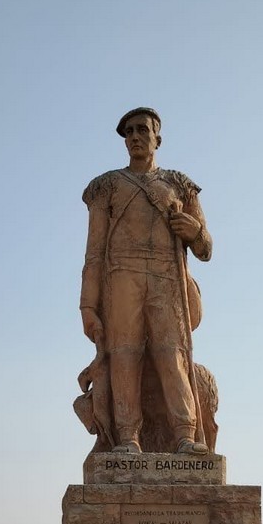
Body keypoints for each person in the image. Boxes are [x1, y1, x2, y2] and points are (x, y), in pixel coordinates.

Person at [78, 107, 212, 456]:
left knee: (173, 353)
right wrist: (88, 306)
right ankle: (127, 438)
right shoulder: (106, 186)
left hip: (167, 276)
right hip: (121, 275)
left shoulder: (180, 185)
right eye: (129, 133)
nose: (135, 137)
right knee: (125, 355)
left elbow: (206, 248)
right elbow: (94, 252)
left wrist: (194, 231)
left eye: (142, 130)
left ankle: (185, 434)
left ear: (158, 138)